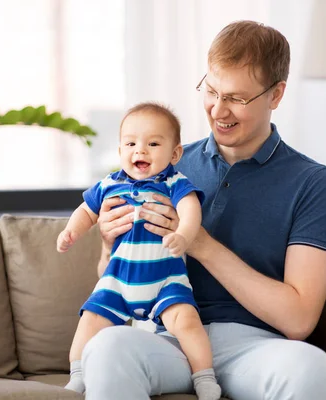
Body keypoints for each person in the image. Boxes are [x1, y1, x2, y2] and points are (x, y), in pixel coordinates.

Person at [80, 20, 326, 400]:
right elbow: (115, 281)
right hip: (165, 337)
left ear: (276, 95)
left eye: (237, 98)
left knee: (311, 369)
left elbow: (299, 319)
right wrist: (109, 244)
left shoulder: (313, 183)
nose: (218, 109)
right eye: (211, 90)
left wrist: (199, 243)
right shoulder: (164, 165)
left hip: (251, 346)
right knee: (106, 349)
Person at [57, 102, 222, 400]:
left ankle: (204, 377)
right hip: (118, 279)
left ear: (174, 154)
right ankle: (78, 376)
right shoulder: (110, 184)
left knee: (186, 321)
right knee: (90, 320)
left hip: (164, 279)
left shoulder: (173, 182)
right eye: (131, 143)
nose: (140, 151)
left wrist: (184, 236)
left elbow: (190, 210)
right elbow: (86, 211)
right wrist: (72, 231)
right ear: (120, 150)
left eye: (153, 144)